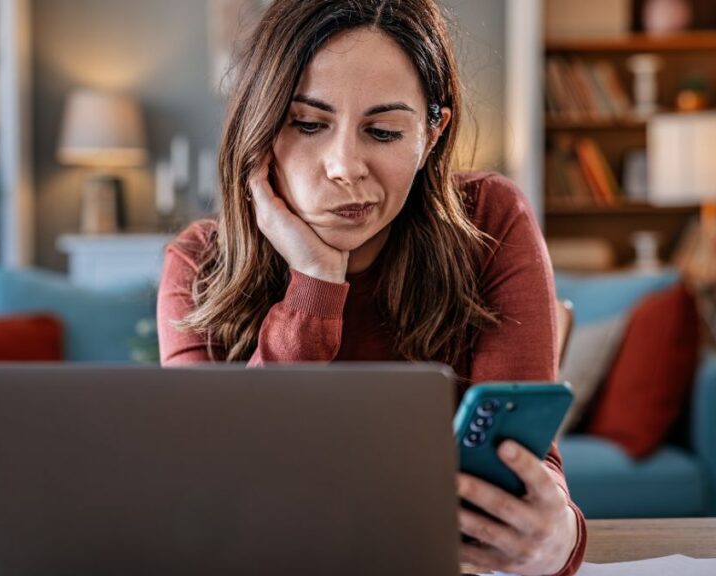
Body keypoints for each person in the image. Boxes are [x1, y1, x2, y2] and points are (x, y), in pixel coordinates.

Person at [157, 1, 586, 574]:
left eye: (384, 132)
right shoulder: (199, 264)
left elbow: (531, 475)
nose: (344, 167)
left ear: (431, 136)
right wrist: (313, 285)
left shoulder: (491, 220)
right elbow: (208, 501)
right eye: (308, 124)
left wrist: (557, 539)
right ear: (259, 128)